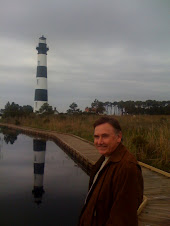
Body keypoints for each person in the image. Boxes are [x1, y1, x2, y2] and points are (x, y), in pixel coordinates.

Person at [78, 117, 143, 226]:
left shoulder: (127, 168)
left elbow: (122, 218)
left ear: (118, 137)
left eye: (105, 136)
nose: (99, 142)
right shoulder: (105, 158)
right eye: (96, 137)